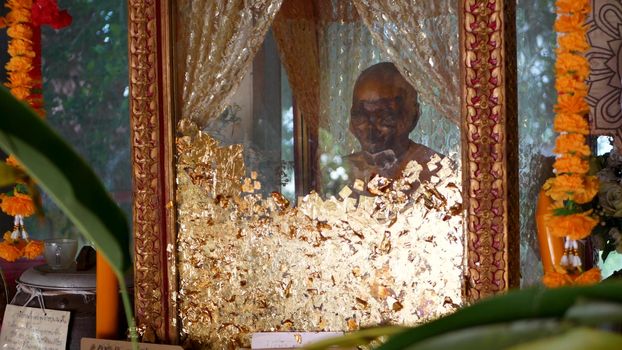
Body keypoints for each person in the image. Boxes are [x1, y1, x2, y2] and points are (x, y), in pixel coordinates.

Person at [345, 62, 443, 184]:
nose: (370, 129)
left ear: (413, 115)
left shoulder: (438, 172)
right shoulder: (338, 174)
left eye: (385, 117)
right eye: (360, 115)